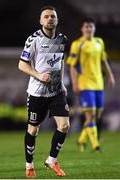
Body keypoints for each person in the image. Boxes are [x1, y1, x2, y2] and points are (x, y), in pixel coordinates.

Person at [18, 6, 70, 178]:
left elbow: (61, 61)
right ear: (41, 21)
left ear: (57, 20)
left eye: (52, 16)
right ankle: (29, 165)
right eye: (46, 16)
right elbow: (22, 64)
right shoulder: (33, 40)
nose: (49, 19)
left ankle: (52, 160)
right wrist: (38, 75)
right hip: (37, 93)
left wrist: (61, 83)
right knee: (33, 130)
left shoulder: (62, 39)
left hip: (56, 91)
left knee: (64, 125)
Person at [67, 17, 115, 152]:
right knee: (91, 115)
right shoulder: (77, 44)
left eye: (91, 26)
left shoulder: (99, 42)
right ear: (82, 29)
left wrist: (110, 76)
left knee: (97, 115)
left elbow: (104, 60)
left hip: (99, 83)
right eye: (86, 26)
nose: (88, 29)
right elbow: (72, 66)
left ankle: (81, 140)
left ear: (94, 28)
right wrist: (75, 83)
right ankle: (95, 145)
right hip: (85, 84)